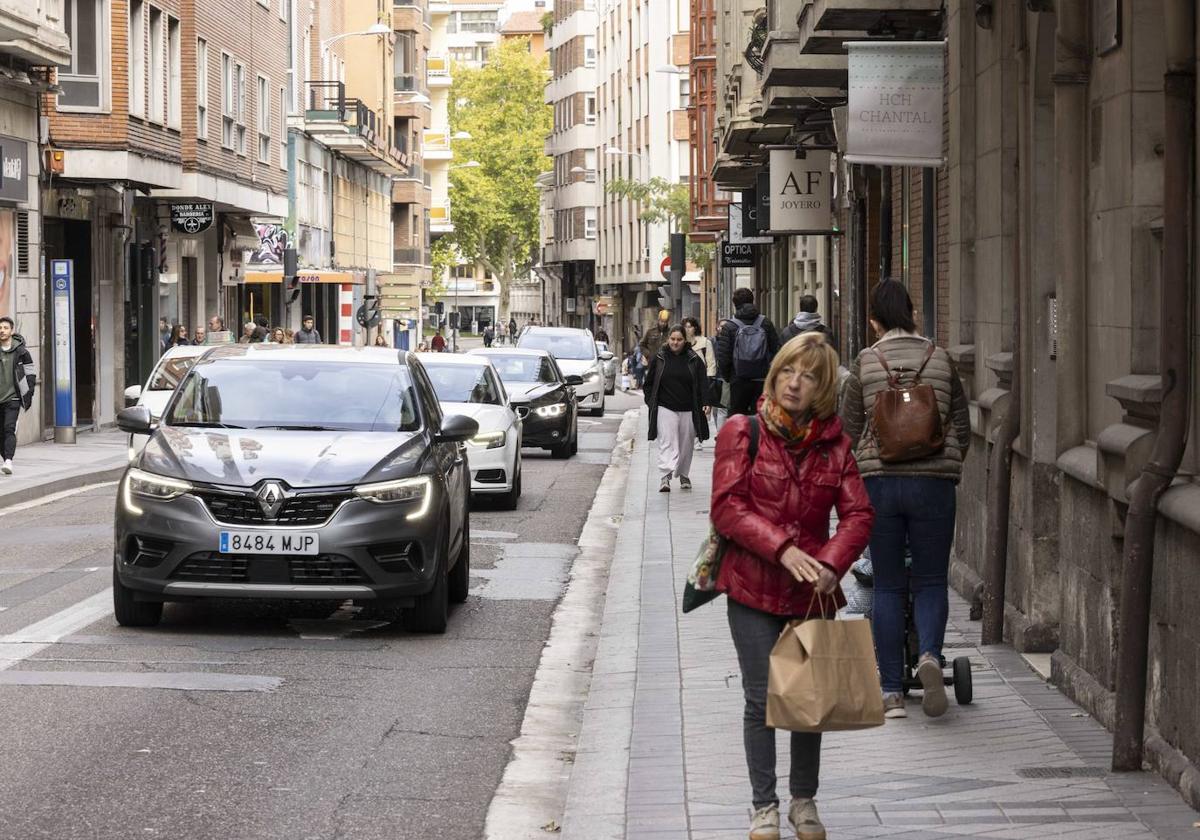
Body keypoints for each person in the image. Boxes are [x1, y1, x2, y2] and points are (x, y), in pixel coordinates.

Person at [711, 332, 874, 840]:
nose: (794, 383)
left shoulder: (835, 446)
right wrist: (782, 547)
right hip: (752, 588)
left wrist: (832, 562)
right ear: (775, 373)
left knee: (807, 700)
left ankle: (805, 804)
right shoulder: (743, 432)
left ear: (823, 388)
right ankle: (764, 807)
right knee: (761, 700)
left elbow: (858, 513)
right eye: (787, 371)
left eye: (807, 376)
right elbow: (727, 507)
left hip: (810, 595)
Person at [839, 278, 971, 721]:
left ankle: (892, 691)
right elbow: (961, 423)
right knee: (932, 579)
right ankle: (930, 656)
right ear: (913, 313)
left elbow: (849, 429)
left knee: (890, 585)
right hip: (933, 485)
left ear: (874, 320)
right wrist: (946, 464)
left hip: (881, 485)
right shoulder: (941, 358)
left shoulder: (866, 363)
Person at [642, 325, 710, 492]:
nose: (675, 342)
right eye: (672, 339)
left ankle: (683, 474)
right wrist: (651, 402)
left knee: (686, 444)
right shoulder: (659, 358)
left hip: (688, 408)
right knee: (667, 441)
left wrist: (706, 402)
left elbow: (703, 383)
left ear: (685, 340)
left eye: (679, 339)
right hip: (665, 407)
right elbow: (649, 384)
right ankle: (665, 477)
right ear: (668, 340)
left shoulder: (694, 359)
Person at [716, 288, 782, 416]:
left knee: (738, 420)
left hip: (738, 381)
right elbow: (777, 350)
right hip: (762, 380)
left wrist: (729, 377)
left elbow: (723, 358)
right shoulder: (765, 323)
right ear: (753, 301)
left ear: (735, 304)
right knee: (762, 417)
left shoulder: (729, 327)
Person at [0, 317, 37, 475]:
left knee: (9, 428)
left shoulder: (22, 352)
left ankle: (9, 460)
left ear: (12, 331)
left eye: (5, 327)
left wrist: (27, 393)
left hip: (13, 398)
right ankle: (5, 457)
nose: (2, 330)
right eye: (0, 327)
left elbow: (30, 374)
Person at [682, 317, 718, 450]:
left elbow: (711, 362)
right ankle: (688, 437)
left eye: (690, 326)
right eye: (685, 326)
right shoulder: (681, 342)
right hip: (685, 381)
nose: (688, 329)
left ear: (695, 328)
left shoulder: (704, 342)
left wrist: (709, 380)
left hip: (701, 380)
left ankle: (697, 437)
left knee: (699, 410)